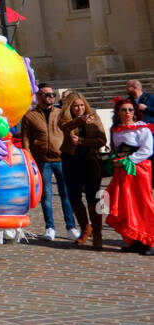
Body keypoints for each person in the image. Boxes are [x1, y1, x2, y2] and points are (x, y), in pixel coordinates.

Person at [20, 85, 77, 240]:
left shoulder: (60, 113)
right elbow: (26, 139)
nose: (51, 97)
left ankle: (71, 227)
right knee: (46, 195)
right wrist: (28, 157)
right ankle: (49, 227)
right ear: (38, 96)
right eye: (47, 94)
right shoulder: (30, 116)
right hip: (42, 160)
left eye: (53, 94)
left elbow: (71, 132)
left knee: (66, 194)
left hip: (62, 158)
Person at [59, 90, 107, 249]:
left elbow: (102, 140)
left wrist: (82, 142)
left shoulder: (94, 117)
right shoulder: (64, 119)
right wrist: (79, 121)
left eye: (81, 106)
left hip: (90, 160)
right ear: (69, 107)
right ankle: (86, 228)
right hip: (71, 160)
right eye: (75, 107)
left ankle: (98, 233)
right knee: (74, 197)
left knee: (94, 198)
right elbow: (64, 128)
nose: (79, 109)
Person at [106, 99, 154, 254]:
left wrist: (128, 161)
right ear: (118, 113)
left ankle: (150, 240)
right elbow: (117, 149)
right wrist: (115, 160)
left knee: (143, 204)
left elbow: (147, 150)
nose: (127, 113)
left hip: (139, 170)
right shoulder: (115, 130)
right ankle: (134, 238)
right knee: (127, 204)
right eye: (123, 110)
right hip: (122, 171)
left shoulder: (142, 129)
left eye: (130, 110)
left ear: (135, 112)